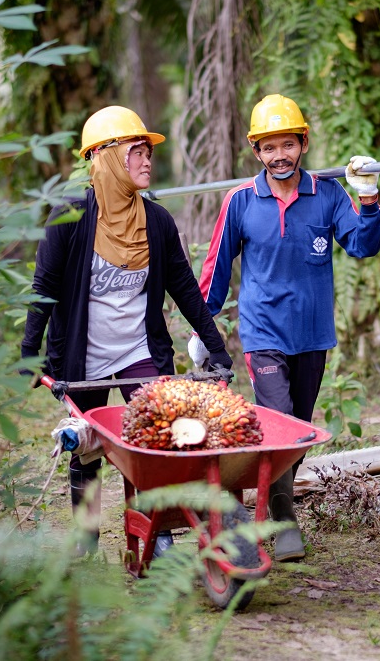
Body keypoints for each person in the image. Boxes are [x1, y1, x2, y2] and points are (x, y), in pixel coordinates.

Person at [22, 105, 234, 555]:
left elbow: (184, 289)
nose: (146, 160)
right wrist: (29, 354)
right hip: (82, 356)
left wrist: (215, 346)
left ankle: (157, 532)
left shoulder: (156, 221)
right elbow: (43, 289)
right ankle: (86, 535)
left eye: (147, 152)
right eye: (135, 151)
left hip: (137, 349)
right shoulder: (71, 216)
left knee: (152, 442)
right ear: (105, 158)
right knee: (87, 448)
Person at [191, 93, 380, 562]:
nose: (280, 156)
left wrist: (368, 196)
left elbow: (362, 246)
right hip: (262, 336)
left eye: (288, 145)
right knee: (276, 422)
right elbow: (217, 269)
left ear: (303, 143)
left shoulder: (327, 195)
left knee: (297, 429)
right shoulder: (240, 202)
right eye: (269, 147)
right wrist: (202, 326)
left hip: (313, 336)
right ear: (256, 152)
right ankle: (283, 519)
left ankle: (272, 506)